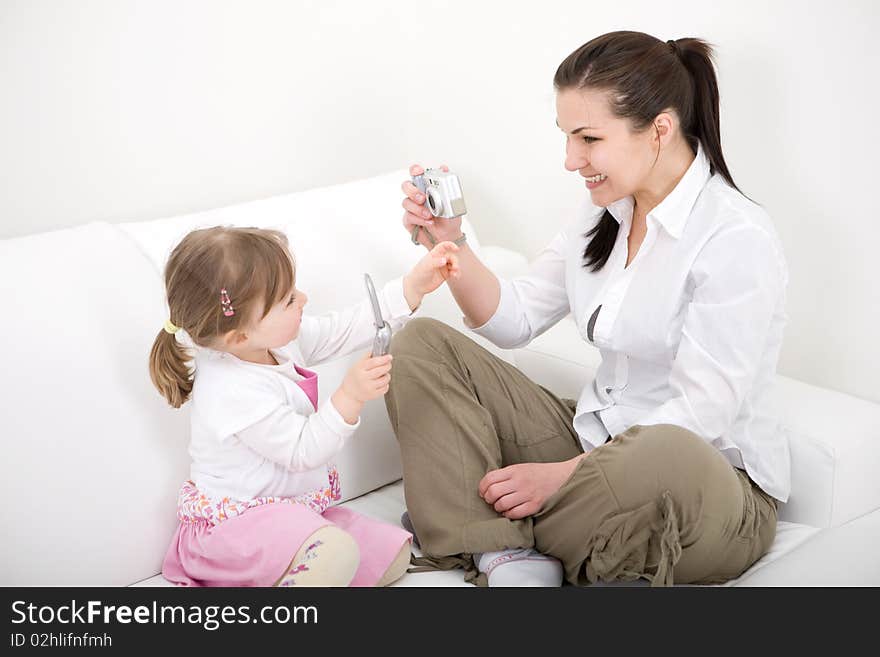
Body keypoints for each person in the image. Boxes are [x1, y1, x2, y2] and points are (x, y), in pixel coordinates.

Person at [389, 30, 789, 587]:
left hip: (708, 488)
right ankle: (505, 548)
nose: (572, 160)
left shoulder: (734, 238)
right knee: (419, 345)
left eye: (588, 139)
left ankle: (462, 519)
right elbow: (516, 317)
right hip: (596, 447)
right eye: (567, 138)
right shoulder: (603, 210)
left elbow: (702, 415)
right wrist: (446, 241)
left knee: (663, 447)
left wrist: (559, 479)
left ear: (660, 130)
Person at [149, 225, 460, 586]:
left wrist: (412, 287)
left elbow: (342, 329)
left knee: (392, 555)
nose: (304, 298)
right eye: (287, 300)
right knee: (336, 553)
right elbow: (302, 450)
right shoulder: (231, 391)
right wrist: (350, 396)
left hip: (284, 515)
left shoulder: (270, 343)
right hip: (231, 534)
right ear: (239, 335)